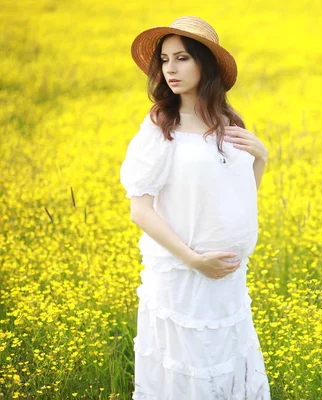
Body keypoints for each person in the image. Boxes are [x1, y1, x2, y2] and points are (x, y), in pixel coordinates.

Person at [120, 16, 271, 399]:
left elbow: (236, 198)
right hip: (182, 276)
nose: (170, 69)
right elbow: (140, 209)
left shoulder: (227, 122)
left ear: (205, 64)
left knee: (223, 369)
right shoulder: (161, 124)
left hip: (229, 281)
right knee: (188, 371)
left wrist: (261, 160)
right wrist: (193, 259)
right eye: (165, 60)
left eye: (182, 58)